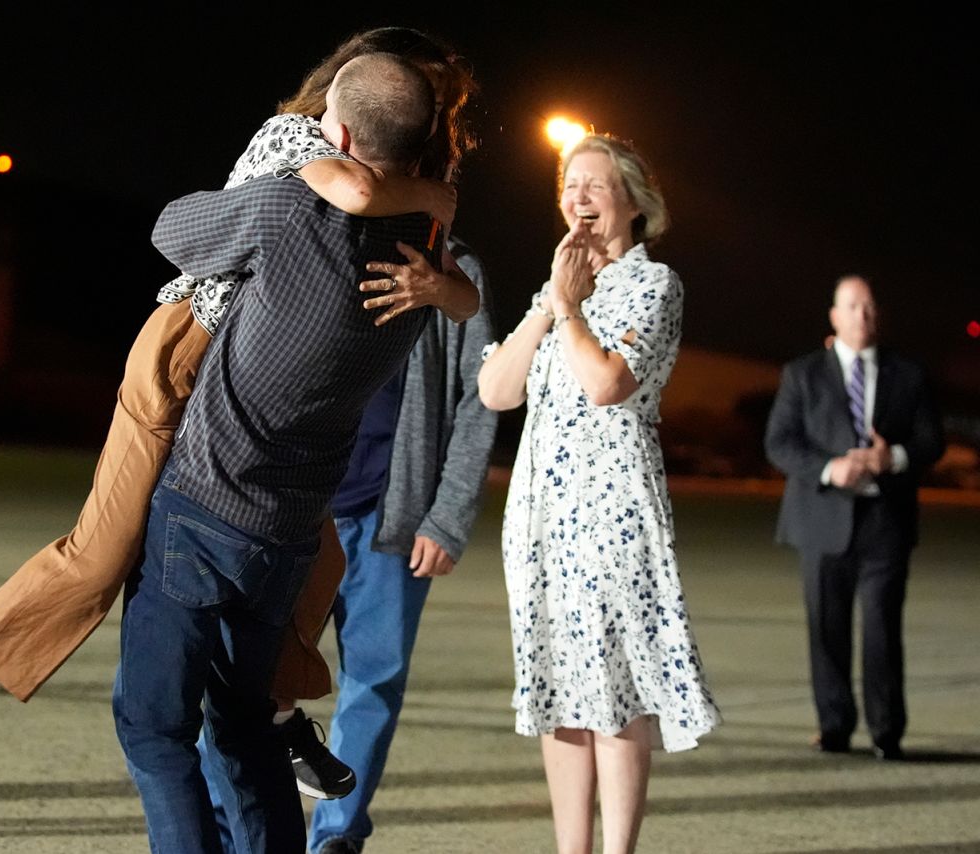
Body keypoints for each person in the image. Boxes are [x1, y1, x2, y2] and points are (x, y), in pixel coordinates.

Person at [0, 26, 479, 784]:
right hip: (188, 354)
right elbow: (352, 190)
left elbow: (458, 286)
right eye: (427, 93)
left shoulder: (406, 185)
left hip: (262, 388)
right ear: (356, 86)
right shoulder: (301, 139)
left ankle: (281, 715)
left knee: (312, 552)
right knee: (104, 553)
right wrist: (435, 193)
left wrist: (434, 263)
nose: (433, 113)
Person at [115, 52, 441, 853]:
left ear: (334, 130)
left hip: (204, 504)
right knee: (248, 727)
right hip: (292, 530)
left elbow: (170, 231)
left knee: (154, 728)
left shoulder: (287, 208)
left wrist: (293, 167)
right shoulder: (428, 257)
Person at [477, 133, 720, 854]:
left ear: (632, 204)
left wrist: (573, 313)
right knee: (557, 688)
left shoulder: (656, 285)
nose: (577, 199)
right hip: (540, 515)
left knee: (613, 690)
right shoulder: (554, 292)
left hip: (613, 509)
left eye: (595, 186)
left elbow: (609, 384)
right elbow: (496, 391)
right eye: (569, 185)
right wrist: (552, 305)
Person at [302, 232, 497, 854]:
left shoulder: (456, 266)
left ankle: (336, 836)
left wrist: (447, 516)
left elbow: (480, 397)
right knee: (248, 680)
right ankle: (240, 828)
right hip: (296, 511)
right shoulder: (317, 235)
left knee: (372, 682)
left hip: (393, 518)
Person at [764, 275, 944, 760]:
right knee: (827, 628)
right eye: (852, 306)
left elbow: (932, 441)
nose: (861, 315)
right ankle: (835, 727)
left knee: (883, 629)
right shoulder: (802, 374)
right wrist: (829, 468)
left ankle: (888, 733)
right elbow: (779, 442)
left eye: (868, 306)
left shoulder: (908, 374)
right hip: (822, 522)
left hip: (885, 523)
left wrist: (896, 458)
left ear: (876, 315)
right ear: (835, 316)